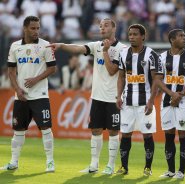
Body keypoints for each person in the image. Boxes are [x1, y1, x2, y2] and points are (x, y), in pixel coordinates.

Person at [47, 18, 126, 175]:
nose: (102, 28)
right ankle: (94, 164)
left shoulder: (122, 49)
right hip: (97, 96)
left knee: (113, 132)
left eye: (106, 25)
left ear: (114, 28)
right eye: (100, 26)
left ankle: (110, 165)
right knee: (95, 130)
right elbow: (77, 48)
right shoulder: (96, 45)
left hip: (113, 97)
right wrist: (61, 46)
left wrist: (105, 51)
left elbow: (112, 71)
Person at [0, 16, 56, 172]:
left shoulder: (46, 45)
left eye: (38, 28)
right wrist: (17, 89)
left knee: (46, 128)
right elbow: (11, 71)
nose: (36, 31)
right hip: (21, 96)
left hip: (40, 95)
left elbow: (52, 68)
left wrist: (36, 79)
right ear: (25, 28)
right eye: (33, 28)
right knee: (18, 131)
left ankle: (50, 162)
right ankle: (14, 162)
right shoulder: (15, 46)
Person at [155, 29, 185, 179]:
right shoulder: (161, 57)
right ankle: (171, 170)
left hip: (183, 102)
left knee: (183, 135)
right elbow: (158, 80)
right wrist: (171, 94)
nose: (184, 38)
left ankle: (181, 171)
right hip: (167, 101)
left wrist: (179, 95)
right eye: (181, 36)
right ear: (172, 40)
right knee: (168, 135)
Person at [115, 24, 159, 176]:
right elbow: (121, 76)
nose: (131, 37)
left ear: (143, 37)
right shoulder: (123, 53)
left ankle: (148, 167)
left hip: (144, 102)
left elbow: (156, 80)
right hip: (127, 102)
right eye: (130, 34)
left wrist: (152, 101)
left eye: (135, 34)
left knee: (147, 135)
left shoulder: (151, 55)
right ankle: (123, 167)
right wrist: (118, 96)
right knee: (125, 134)